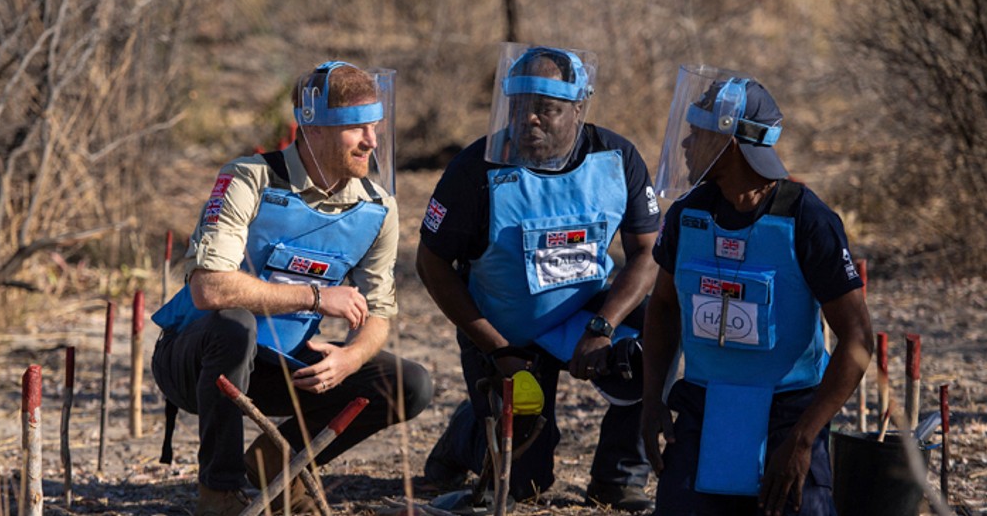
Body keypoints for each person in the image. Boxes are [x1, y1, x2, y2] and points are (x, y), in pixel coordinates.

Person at [151, 61, 433, 516]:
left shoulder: (378, 208)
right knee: (234, 326)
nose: (371, 141)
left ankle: (273, 466)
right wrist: (319, 297)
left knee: (408, 383)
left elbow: (379, 313)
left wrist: (350, 358)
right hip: (197, 357)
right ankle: (220, 492)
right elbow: (209, 290)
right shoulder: (250, 178)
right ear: (312, 127)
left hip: (281, 362)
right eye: (356, 127)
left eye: (375, 126)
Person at [417, 43, 662, 513]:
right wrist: (497, 348)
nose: (529, 119)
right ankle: (465, 435)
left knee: (660, 334)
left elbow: (647, 254)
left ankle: (618, 477)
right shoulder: (476, 169)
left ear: (577, 109)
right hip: (504, 329)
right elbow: (430, 265)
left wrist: (603, 326)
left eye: (546, 109)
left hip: (584, 315)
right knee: (525, 485)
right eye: (520, 107)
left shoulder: (616, 157)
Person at [641, 66, 873, 516]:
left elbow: (858, 338)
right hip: (703, 406)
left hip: (789, 414)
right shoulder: (690, 216)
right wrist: (652, 402)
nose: (686, 144)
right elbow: (664, 306)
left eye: (696, 134)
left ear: (730, 144)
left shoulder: (807, 221)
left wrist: (804, 440)